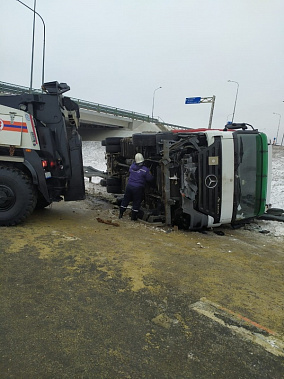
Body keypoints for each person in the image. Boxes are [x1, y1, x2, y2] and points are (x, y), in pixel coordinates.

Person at [119, 153, 153, 221]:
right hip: (137, 188)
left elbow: (131, 171)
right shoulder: (145, 170)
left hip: (129, 186)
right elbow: (150, 179)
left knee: (126, 200)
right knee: (136, 202)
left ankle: (120, 214)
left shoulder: (132, 166)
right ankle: (133, 218)